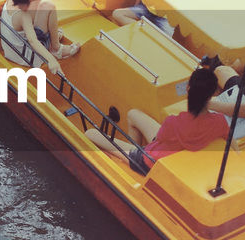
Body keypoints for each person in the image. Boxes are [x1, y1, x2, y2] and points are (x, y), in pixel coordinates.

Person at [85, 65, 229, 174]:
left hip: (149, 161)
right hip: (169, 151)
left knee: (90, 133)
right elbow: (231, 145)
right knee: (133, 114)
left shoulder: (174, 122)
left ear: (188, 89)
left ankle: (131, 159)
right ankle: (131, 153)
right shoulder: (220, 122)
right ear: (212, 95)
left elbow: (159, 140)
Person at [0, 0, 80, 74]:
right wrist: (51, 60)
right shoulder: (24, 16)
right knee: (48, 6)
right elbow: (33, 41)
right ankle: (56, 48)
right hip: (26, 56)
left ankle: (52, 38)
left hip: (11, 50)